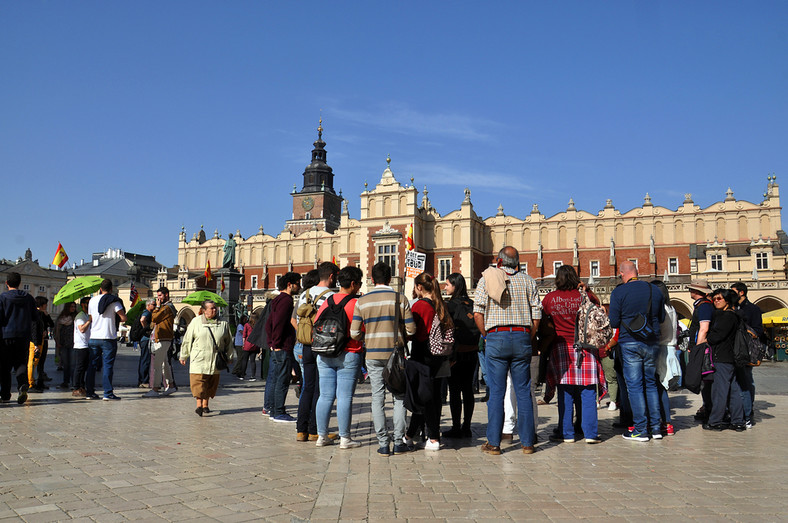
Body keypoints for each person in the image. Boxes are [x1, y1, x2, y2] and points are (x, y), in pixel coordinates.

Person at [474, 247, 540, 455]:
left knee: (496, 392)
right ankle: (527, 443)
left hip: (496, 336)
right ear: (517, 263)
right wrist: (527, 336)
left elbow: (478, 312)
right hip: (521, 335)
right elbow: (537, 314)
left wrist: (486, 334)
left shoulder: (487, 279)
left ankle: (494, 443)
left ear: (499, 262)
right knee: (523, 391)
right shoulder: (528, 281)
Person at [350, 262, 417, 456]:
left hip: (373, 354)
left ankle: (382, 443)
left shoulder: (361, 302)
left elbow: (354, 333)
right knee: (398, 397)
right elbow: (412, 329)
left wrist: (368, 337)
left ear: (372, 279)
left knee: (377, 397)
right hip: (395, 355)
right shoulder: (400, 298)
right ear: (390, 278)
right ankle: (398, 441)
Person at [542, 266, 605, 444]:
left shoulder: (550, 298)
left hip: (561, 346)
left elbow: (544, 317)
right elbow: (597, 304)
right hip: (586, 346)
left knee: (565, 392)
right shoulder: (584, 296)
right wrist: (586, 288)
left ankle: (567, 432)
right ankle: (591, 433)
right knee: (588, 391)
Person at [608, 261, 665, 442]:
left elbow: (614, 321)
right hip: (652, 341)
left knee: (634, 386)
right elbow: (662, 317)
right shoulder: (654, 290)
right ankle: (656, 428)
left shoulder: (619, 292)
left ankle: (640, 429)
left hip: (629, 342)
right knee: (650, 384)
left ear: (622, 273)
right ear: (636, 272)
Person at [314, 266, 364, 448]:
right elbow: (359, 330)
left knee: (325, 396)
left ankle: (321, 436)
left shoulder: (328, 300)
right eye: (359, 284)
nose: (359, 287)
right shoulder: (356, 304)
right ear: (353, 284)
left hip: (325, 352)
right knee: (344, 397)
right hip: (349, 352)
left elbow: (315, 323)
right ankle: (345, 438)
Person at [404, 272, 454, 451]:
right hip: (440, 356)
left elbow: (415, 332)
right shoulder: (442, 305)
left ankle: (433, 438)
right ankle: (410, 435)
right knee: (431, 397)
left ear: (419, 287)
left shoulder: (419, 306)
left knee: (424, 398)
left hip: (423, 355)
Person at [294, 263, 338, 441]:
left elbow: (297, 317)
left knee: (307, 386)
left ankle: (300, 429)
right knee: (320, 389)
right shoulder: (331, 296)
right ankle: (314, 430)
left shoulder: (304, 294)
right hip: (321, 345)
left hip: (305, 344)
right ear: (332, 277)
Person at [179, 299, 234, 416]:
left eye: (215, 308)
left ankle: (205, 404)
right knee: (198, 382)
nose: (215, 310)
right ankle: (199, 405)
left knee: (211, 383)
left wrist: (230, 356)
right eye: (211, 308)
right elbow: (187, 339)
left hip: (215, 358)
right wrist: (184, 355)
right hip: (199, 358)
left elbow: (228, 342)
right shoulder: (196, 322)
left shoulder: (223, 324)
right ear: (204, 310)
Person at [443, 273, 480, 439]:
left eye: (447, 285)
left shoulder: (450, 305)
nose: (445, 287)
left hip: (456, 354)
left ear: (455, 286)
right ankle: (467, 426)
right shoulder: (472, 303)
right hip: (472, 352)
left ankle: (456, 426)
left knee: (455, 391)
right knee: (468, 391)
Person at [704, 289, 745, 431]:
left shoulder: (727, 316)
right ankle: (738, 421)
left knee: (719, 391)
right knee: (733, 390)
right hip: (729, 357)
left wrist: (707, 337)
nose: (716, 301)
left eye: (719, 298)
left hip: (722, 357)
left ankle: (715, 421)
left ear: (727, 301)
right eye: (714, 299)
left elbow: (717, 336)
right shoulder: (733, 315)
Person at [264, 271, 301, 422]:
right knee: (282, 380)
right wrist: (278, 343)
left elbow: (268, 324)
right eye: (298, 283)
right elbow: (278, 323)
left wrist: (271, 343)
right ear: (289, 284)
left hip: (276, 346)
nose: (299, 286)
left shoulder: (276, 300)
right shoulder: (286, 300)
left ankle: (273, 409)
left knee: (274, 379)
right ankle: (279, 411)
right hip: (283, 346)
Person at [87, 279, 127, 401]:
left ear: (100, 288)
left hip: (93, 336)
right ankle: (107, 393)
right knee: (108, 366)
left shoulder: (92, 300)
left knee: (92, 366)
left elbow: (91, 317)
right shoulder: (114, 301)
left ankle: (89, 392)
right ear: (111, 289)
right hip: (108, 337)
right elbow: (123, 318)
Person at [731, 281, 761, 429]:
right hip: (734, 350)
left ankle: (748, 410)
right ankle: (738, 409)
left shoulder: (753, 309)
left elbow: (758, 330)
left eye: (733, 291)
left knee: (747, 381)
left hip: (746, 350)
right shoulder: (731, 308)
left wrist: (745, 330)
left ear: (741, 293)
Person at [687, 279, 714, 421]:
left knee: (706, 380)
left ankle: (709, 409)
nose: (690, 291)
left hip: (703, 349)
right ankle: (708, 407)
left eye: (691, 289)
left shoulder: (704, 307)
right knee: (705, 381)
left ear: (697, 291)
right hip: (701, 348)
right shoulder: (701, 306)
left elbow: (704, 329)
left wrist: (697, 348)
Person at [146, 287, 177, 397]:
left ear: (166, 295)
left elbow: (154, 318)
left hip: (163, 338)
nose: (157, 298)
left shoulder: (167, 308)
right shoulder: (166, 307)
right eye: (157, 295)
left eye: (160, 295)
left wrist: (157, 307)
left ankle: (155, 388)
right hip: (163, 338)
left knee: (157, 365)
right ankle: (171, 386)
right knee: (165, 364)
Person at [29, 296, 53, 393]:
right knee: (33, 362)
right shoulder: (35, 314)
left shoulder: (42, 314)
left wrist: (47, 315)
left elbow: (51, 324)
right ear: (42, 305)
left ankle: (39, 382)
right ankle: (31, 383)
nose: (47, 306)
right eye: (46, 304)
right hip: (36, 342)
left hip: (42, 341)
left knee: (40, 362)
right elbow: (34, 329)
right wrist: (35, 343)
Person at [54, 301, 77, 390]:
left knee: (72, 364)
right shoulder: (60, 318)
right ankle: (65, 381)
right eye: (71, 306)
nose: (73, 308)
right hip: (63, 343)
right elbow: (56, 331)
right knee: (66, 364)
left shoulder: (75, 318)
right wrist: (57, 342)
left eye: (74, 307)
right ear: (67, 307)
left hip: (73, 343)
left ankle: (74, 383)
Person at [72, 297, 91, 397]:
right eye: (87, 303)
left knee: (84, 368)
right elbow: (82, 329)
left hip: (87, 344)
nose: (89, 305)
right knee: (79, 367)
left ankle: (82, 386)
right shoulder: (80, 316)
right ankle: (76, 387)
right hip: (80, 345)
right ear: (82, 304)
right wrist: (89, 321)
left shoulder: (86, 315)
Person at [138, 300, 155, 388]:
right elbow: (142, 319)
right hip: (146, 339)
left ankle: (141, 380)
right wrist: (146, 328)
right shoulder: (147, 313)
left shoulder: (146, 312)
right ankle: (144, 380)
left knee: (143, 359)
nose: (155, 306)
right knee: (146, 359)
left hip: (143, 339)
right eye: (153, 304)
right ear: (148, 305)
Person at [239, 313, 260, 381]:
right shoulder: (257, 326)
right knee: (253, 361)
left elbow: (244, 335)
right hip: (254, 345)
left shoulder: (247, 325)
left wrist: (243, 344)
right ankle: (253, 376)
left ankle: (242, 375)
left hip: (247, 344)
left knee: (244, 360)